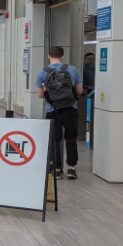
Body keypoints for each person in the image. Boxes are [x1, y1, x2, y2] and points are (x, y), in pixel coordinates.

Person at [36, 46, 84, 180]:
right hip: (70, 109)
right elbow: (80, 91)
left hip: (53, 110)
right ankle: (71, 168)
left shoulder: (42, 73)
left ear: (49, 56)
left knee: (55, 139)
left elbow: (40, 95)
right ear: (62, 56)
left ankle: (57, 169)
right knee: (71, 139)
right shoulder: (72, 70)